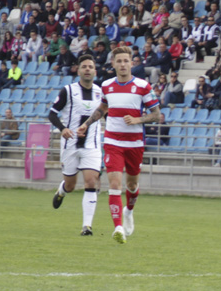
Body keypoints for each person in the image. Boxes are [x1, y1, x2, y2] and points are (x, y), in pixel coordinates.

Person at [77, 46, 162, 244]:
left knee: (132, 185)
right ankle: (118, 227)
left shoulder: (143, 86)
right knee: (114, 184)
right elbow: (103, 108)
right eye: (119, 61)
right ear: (113, 63)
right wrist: (86, 124)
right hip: (113, 142)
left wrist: (138, 120)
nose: (123, 64)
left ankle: (129, 211)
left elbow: (156, 115)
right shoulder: (106, 86)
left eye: (126, 61)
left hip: (135, 144)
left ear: (132, 63)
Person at [49, 55, 104, 236]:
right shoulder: (68, 90)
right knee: (71, 185)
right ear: (78, 70)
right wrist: (63, 128)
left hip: (92, 145)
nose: (88, 69)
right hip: (70, 145)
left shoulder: (101, 93)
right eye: (84, 66)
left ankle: (86, 227)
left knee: (91, 181)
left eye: (91, 66)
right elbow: (52, 114)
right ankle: (62, 191)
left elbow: (107, 114)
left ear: (95, 71)